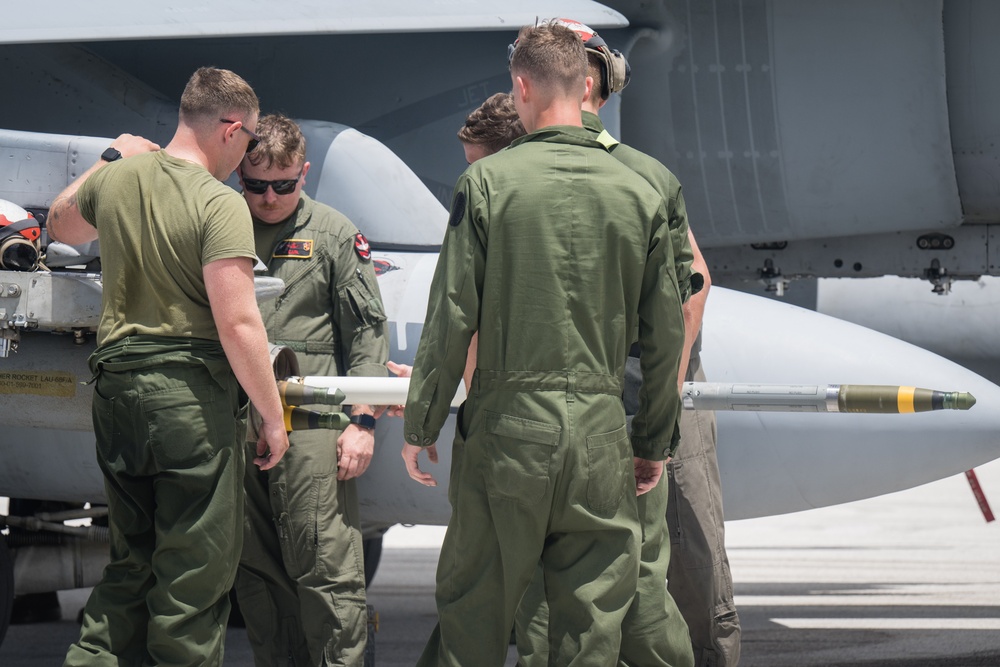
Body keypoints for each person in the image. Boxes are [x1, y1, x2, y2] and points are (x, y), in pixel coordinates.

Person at [401, 22, 687, 666]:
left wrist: (421, 423)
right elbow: (667, 333)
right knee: (592, 622)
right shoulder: (643, 187)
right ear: (587, 84)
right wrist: (653, 443)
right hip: (600, 431)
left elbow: (451, 315)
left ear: (522, 86)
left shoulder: (487, 184)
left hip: (505, 431)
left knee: (474, 611)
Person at [48, 66, 290, 666]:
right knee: (193, 577)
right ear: (231, 128)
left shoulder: (121, 179)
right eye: (251, 140)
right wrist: (272, 415)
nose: (248, 155)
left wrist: (110, 156)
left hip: (116, 395)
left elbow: (61, 223)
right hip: (188, 403)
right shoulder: (219, 204)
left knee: (131, 563)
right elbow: (238, 324)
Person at [563, 20, 741, 666]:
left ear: (593, 85)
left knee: (690, 551)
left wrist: (660, 400)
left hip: (659, 385)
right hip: (585, 394)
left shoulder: (637, 176)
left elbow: (693, 287)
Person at [234, 113, 389, 665]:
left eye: (283, 184)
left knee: (324, 561)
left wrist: (364, 421)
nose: (269, 198)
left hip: (311, 419)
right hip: (236, 419)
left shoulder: (333, 234)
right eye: (254, 185)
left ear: (305, 173)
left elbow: (368, 333)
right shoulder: (222, 226)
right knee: (253, 568)